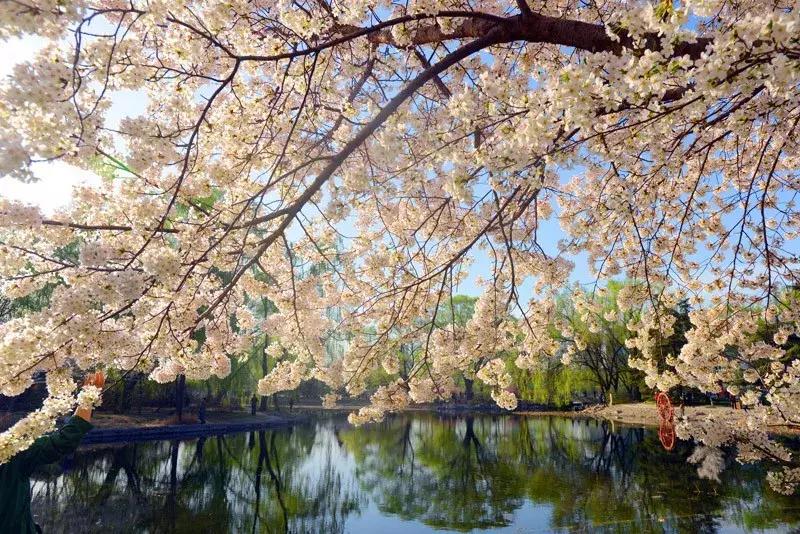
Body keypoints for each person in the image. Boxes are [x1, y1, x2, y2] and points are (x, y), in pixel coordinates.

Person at [0, 371, 105, 534]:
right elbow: (63, 441)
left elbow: (62, 442)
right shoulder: (11, 451)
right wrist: (89, 396)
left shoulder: (11, 449)